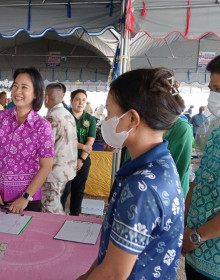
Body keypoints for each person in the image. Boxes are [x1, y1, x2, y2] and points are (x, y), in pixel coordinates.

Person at [78, 68, 185, 280]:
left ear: (132, 119)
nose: (105, 119)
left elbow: (114, 274)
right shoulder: (160, 164)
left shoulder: (141, 186)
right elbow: (112, 256)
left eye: (109, 112)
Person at [0, 67, 54, 213]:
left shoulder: (42, 126)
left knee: (25, 235)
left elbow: (46, 165)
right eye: (15, 85)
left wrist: (26, 197)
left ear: (36, 93)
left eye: (24, 87)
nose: (17, 91)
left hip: (27, 200)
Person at [183, 55, 220, 280]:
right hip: (196, 255)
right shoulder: (216, 129)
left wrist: (196, 237)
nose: (213, 96)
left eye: (219, 89)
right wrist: (185, 224)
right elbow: (201, 178)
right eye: (212, 89)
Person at [42, 83, 77, 214]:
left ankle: (53, 233)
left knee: (49, 208)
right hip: (66, 170)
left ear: (46, 98)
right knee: (57, 204)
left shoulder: (52, 117)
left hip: (54, 172)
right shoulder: (68, 114)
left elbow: (46, 146)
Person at [61, 89, 96, 216]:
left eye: (83, 100)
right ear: (71, 101)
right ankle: (57, 215)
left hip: (83, 160)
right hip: (64, 159)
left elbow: (90, 141)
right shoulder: (64, 117)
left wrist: (81, 159)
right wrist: (82, 146)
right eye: (77, 99)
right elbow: (63, 140)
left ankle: (74, 216)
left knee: (78, 190)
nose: (81, 103)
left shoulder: (90, 119)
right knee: (64, 190)